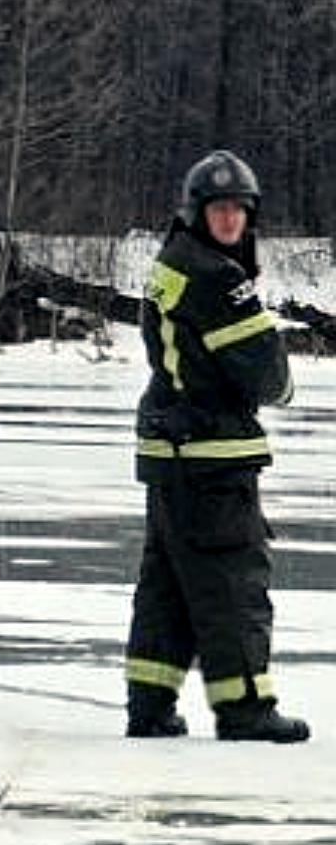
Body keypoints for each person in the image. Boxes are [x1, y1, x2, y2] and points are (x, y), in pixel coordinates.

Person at [125, 149, 310, 743]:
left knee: (170, 584)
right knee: (233, 578)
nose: (231, 220)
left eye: (239, 210)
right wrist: (278, 381)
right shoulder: (216, 277)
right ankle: (245, 707)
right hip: (211, 455)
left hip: (169, 451)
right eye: (220, 208)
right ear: (196, 211)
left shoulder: (171, 262)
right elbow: (266, 375)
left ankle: (149, 705)